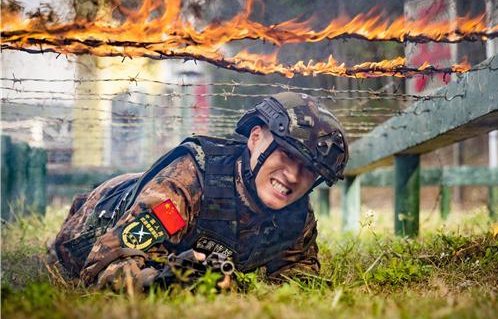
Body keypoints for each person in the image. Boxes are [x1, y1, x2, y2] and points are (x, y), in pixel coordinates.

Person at [51, 92, 348, 291]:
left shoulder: (295, 214)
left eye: (309, 169)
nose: (293, 176)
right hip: (92, 224)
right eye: (285, 155)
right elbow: (108, 263)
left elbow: (299, 277)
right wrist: (166, 282)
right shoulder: (187, 189)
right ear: (256, 139)